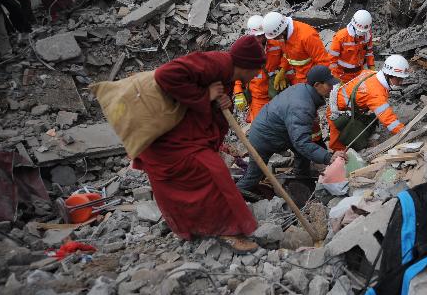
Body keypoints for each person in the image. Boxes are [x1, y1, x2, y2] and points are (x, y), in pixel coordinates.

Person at [133, 35, 266, 252]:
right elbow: (165, 75)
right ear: (246, 65)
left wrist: (220, 102)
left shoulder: (228, 75)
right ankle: (228, 231)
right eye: (257, 68)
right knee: (215, 176)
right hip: (167, 141)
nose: (258, 74)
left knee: (209, 176)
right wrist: (206, 95)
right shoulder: (217, 64)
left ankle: (199, 227)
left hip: (186, 137)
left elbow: (213, 105)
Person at [237, 65, 346, 191]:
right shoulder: (302, 106)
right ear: (316, 85)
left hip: (275, 131)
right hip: (263, 138)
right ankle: (236, 195)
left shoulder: (303, 90)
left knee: (302, 154)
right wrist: (329, 157)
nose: (332, 88)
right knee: (254, 175)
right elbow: (301, 142)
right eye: (328, 84)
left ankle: (301, 183)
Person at [262, 11, 332, 143]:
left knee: (308, 114)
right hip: (298, 81)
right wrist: (283, 70)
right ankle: (309, 143)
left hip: (311, 83)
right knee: (301, 114)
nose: (276, 41)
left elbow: (324, 63)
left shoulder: (306, 35)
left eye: (277, 37)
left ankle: (317, 144)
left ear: (282, 30)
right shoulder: (283, 37)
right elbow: (288, 56)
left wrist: (314, 87)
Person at [326, 55, 409, 151]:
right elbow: (388, 119)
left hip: (347, 107)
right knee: (340, 146)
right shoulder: (375, 93)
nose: (401, 82)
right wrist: (404, 131)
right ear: (389, 75)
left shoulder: (371, 73)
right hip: (336, 113)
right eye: (399, 79)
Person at [234, 15, 284, 123]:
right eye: (257, 36)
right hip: (258, 97)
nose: (260, 39)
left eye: (262, 35)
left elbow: (286, 56)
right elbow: (237, 71)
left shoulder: (276, 42)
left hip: (277, 92)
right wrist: (238, 92)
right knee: (260, 127)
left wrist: (282, 71)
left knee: (280, 125)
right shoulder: (244, 50)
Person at [329, 10, 375, 83]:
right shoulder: (341, 37)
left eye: (364, 32)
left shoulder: (367, 36)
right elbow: (332, 60)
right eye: (360, 32)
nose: (361, 34)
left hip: (359, 74)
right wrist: (335, 77)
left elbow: (369, 53)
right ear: (353, 26)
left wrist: (371, 67)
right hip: (342, 75)